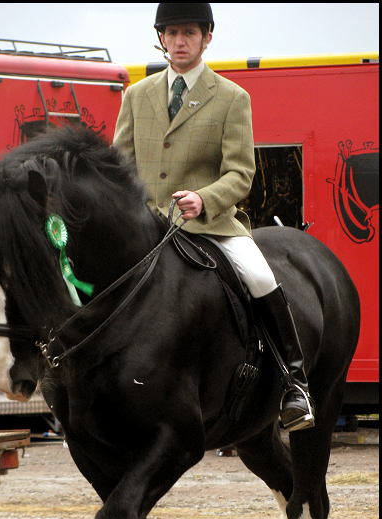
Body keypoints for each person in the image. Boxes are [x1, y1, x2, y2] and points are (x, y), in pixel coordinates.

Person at [113, 3, 314, 432]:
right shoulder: (136, 96)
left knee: (260, 277)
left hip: (211, 224)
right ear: (161, 38)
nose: (180, 40)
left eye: (189, 32)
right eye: (172, 33)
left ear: (207, 38)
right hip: (146, 225)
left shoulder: (231, 98)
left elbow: (241, 173)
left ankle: (294, 383)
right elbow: (119, 167)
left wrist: (204, 199)